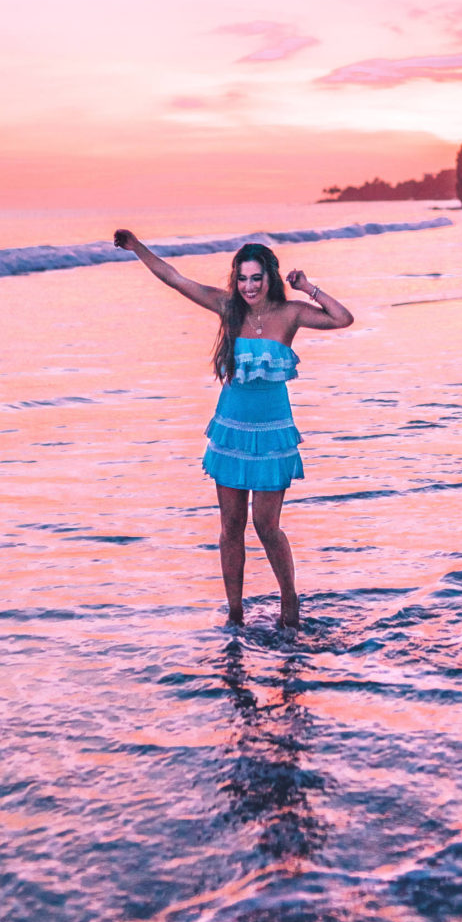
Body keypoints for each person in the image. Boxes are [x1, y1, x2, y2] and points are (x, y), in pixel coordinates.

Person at [113, 231, 353, 628]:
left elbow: (342, 318)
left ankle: (289, 600)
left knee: (267, 525)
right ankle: (235, 613)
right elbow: (175, 278)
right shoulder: (228, 308)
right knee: (230, 527)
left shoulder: (289, 314)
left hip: (274, 433)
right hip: (231, 432)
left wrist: (309, 287)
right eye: (242, 278)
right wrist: (137, 246)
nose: (248, 286)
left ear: (269, 277)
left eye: (256, 278)